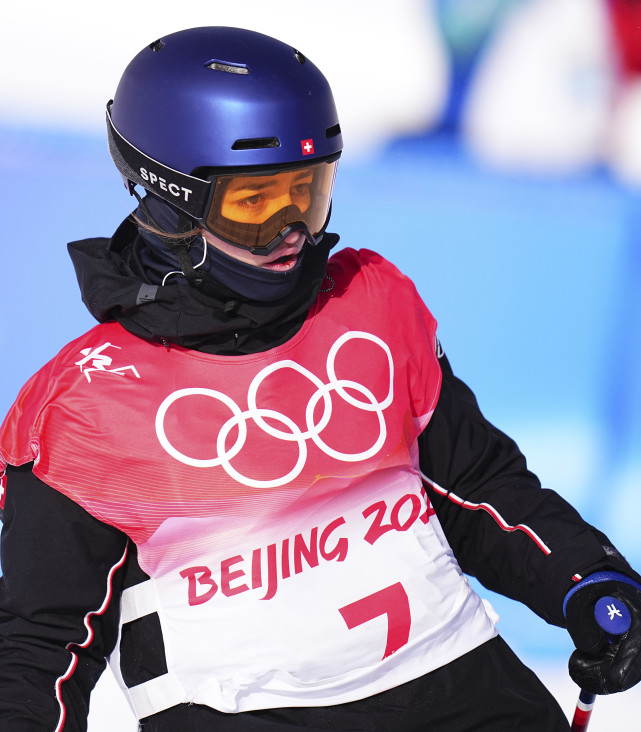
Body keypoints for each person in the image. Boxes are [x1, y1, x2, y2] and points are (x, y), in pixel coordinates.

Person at [0, 26, 640, 732]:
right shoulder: (84, 407)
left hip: (459, 688)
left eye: (305, 194)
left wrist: (583, 577)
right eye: (252, 204)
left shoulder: (367, 303)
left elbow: (477, 485)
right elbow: (42, 644)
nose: (288, 233)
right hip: (248, 711)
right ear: (168, 204)